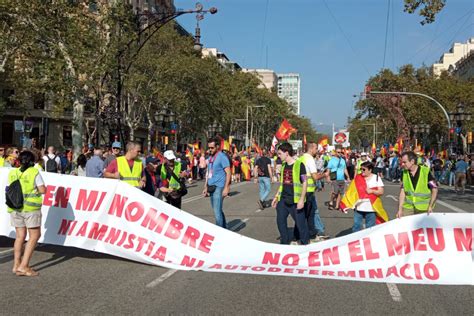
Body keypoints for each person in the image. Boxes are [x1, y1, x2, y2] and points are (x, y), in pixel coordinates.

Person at [7, 150, 46, 277]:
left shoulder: (13, 172)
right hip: (30, 209)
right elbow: (42, 190)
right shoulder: (34, 172)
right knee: (34, 236)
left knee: (19, 237)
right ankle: (24, 266)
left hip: (15, 208)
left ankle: (16, 265)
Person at [271, 142, 309, 245]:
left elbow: (305, 182)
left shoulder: (299, 165)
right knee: (280, 222)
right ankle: (284, 242)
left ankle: (306, 244)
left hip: (295, 201)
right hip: (283, 199)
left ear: (286, 153)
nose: (278, 156)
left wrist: (301, 200)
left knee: (301, 225)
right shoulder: (283, 166)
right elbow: (282, 184)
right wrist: (276, 197)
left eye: (280, 153)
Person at [342, 161, 387, 232]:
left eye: (364, 169)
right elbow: (351, 192)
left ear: (370, 170)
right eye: (361, 169)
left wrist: (372, 191)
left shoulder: (376, 178)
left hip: (371, 208)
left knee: (370, 228)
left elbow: (381, 192)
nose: (362, 171)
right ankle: (356, 241)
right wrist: (345, 204)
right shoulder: (358, 177)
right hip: (359, 208)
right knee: (356, 227)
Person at [297, 142, 328, 241]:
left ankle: (315, 231)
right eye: (316, 149)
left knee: (305, 213)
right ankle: (311, 235)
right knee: (309, 214)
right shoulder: (309, 159)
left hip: (300, 190)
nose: (317, 151)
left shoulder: (301, 158)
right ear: (311, 149)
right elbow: (315, 176)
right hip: (308, 191)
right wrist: (325, 175)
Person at [397, 151, 438, 218]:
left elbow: (434, 189)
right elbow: (402, 192)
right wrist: (400, 209)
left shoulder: (425, 171)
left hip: (423, 208)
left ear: (412, 161)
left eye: (405, 162)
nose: (403, 164)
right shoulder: (404, 173)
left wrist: (430, 206)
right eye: (402, 162)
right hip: (408, 208)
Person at [202, 137, 231, 228]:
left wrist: (226, 187)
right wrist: (205, 186)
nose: (210, 150)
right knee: (217, 209)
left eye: (212, 148)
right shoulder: (210, 157)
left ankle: (219, 231)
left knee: (217, 211)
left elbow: (228, 172)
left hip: (219, 186)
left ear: (217, 147)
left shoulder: (222, 157)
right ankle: (224, 228)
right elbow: (208, 173)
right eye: (209, 147)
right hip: (211, 186)